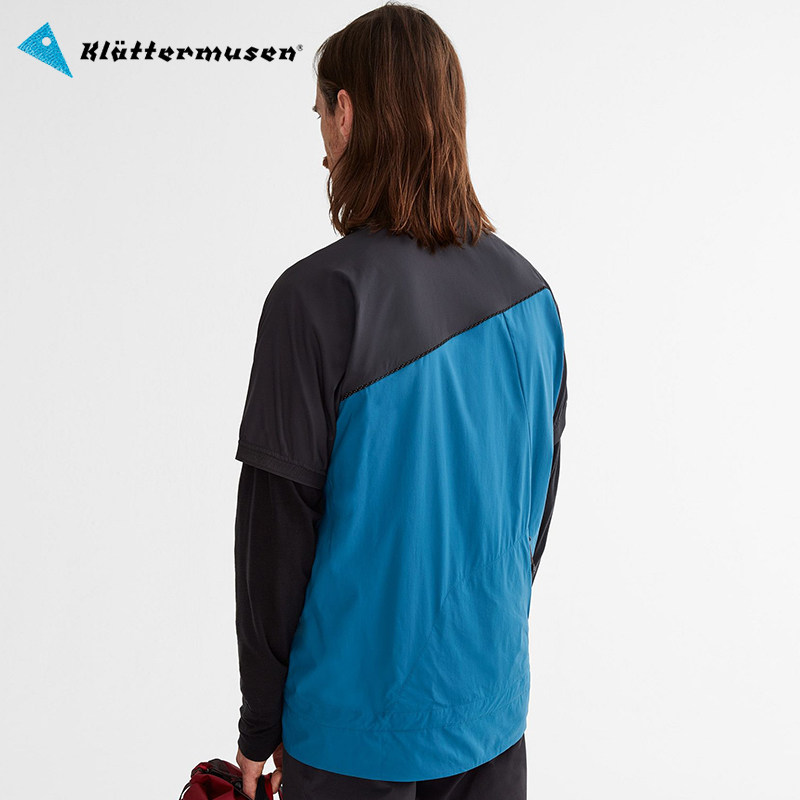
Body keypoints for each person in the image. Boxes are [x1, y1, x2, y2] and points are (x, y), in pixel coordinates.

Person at [232, 4, 568, 798]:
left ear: (347, 112)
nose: (320, 142)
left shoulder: (316, 298)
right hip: (490, 716)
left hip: (351, 736)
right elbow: (531, 519)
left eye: (320, 112)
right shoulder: (534, 298)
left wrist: (257, 729)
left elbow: (275, 537)